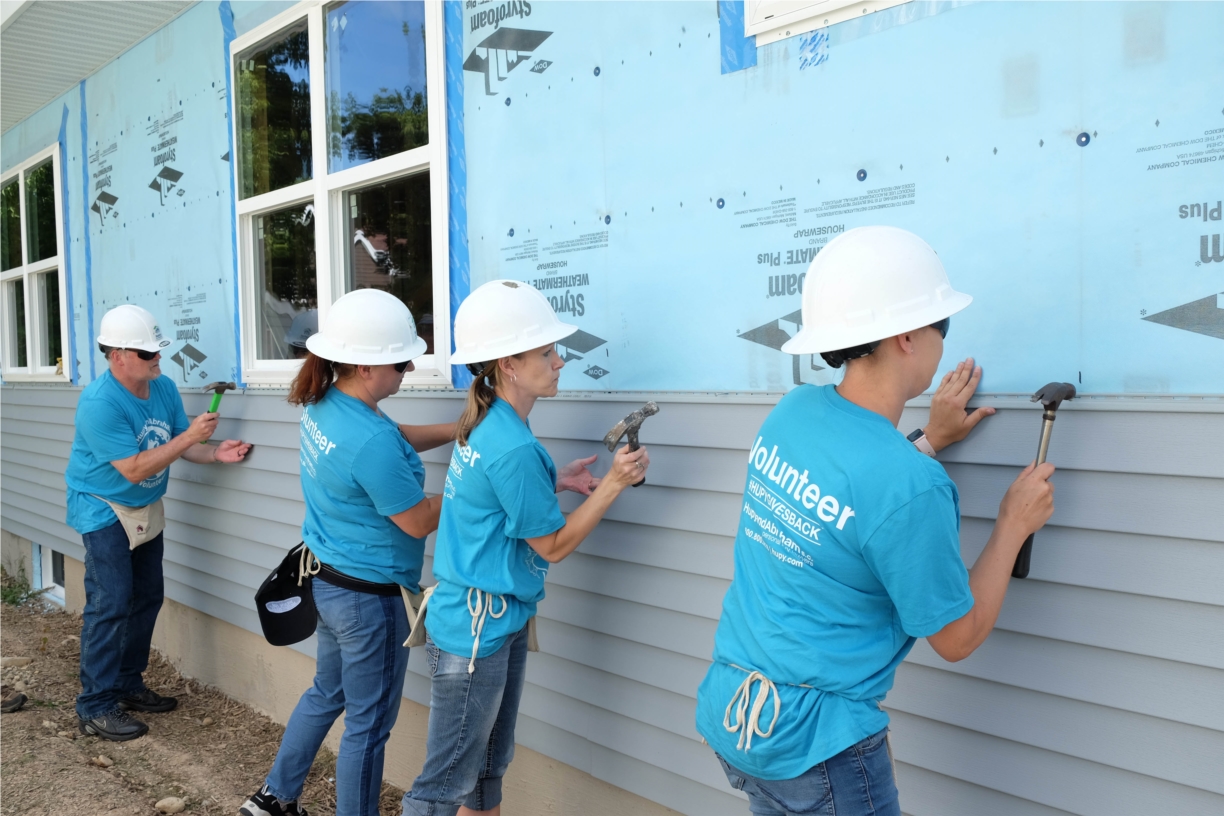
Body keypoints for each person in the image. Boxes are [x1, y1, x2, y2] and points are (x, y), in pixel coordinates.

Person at [695, 226, 1057, 816]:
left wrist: (928, 439)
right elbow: (957, 638)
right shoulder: (908, 486)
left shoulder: (794, 413)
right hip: (820, 750)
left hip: (739, 721)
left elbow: (848, 501)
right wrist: (1013, 523)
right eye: (942, 324)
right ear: (907, 336)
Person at [401, 280, 650, 816]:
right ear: (509, 364)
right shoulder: (510, 442)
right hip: (475, 633)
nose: (559, 361)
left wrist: (554, 480)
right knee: (441, 788)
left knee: (487, 770)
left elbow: (491, 499)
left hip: (494, 621)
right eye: (545, 352)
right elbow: (554, 545)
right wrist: (612, 484)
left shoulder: (490, 421)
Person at [241, 289, 454, 816]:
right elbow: (418, 519)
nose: (407, 369)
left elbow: (390, 439)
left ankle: (274, 798)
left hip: (330, 582)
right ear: (364, 365)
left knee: (325, 694)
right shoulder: (368, 439)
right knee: (368, 727)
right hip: (370, 600)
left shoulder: (329, 404)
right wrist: (476, 485)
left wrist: (459, 429)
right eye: (401, 361)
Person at [65, 305, 251, 742]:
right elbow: (131, 467)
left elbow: (180, 446)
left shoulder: (161, 386)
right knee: (110, 602)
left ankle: (127, 684)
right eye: (147, 352)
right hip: (104, 505)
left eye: (156, 350)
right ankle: (94, 706)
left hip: (147, 504)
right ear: (118, 356)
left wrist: (213, 452)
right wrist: (189, 438)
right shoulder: (99, 403)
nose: (157, 358)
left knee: (147, 596)